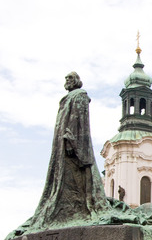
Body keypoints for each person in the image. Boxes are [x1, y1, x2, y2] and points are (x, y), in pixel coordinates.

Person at [29, 72, 111, 229]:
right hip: (62, 145)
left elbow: (77, 119)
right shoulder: (68, 98)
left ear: (77, 81)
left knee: (73, 179)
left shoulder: (79, 95)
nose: (67, 81)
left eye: (70, 78)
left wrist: (70, 139)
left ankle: (76, 206)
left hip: (71, 143)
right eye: (66, 78)